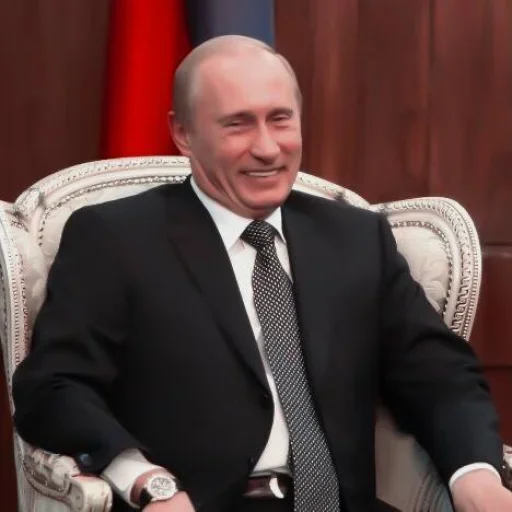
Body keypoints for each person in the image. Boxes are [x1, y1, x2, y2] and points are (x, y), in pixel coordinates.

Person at [12, 35, 512, 512]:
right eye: (238, 124)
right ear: (183, 133)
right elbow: (54, 386)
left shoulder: (356, 239)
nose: (268, 148)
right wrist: (145, 480)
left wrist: (476, 476)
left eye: (280, 119)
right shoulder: (116, 239)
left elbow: (438, 374)